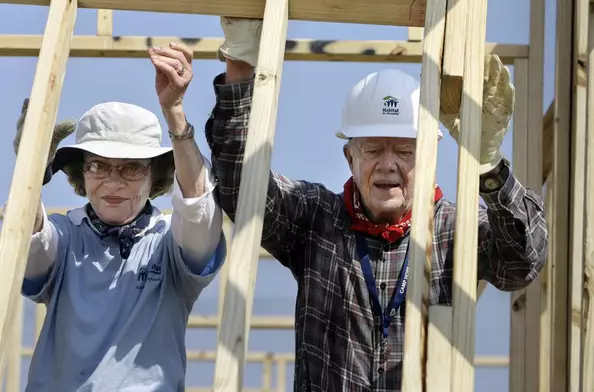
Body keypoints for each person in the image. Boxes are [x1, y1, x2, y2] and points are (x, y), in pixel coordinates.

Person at [206, 18, 548, 391]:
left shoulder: (453, 227)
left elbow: (523, 261)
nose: (388, 164)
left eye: (404, 151)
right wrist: (240, 68)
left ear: (429, 157)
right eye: (372, 149)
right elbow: (243, 189)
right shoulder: (316, 219)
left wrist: (488, 164)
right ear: (350, 157)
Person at [13, 43, 226, 391]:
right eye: (97, 166)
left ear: (154, 175)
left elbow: (198, 207)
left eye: (130, 168)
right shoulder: (66, 235)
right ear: (81, 174)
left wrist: (174, 112)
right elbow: (29, 247)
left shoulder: (168, 243)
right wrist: (28, 172)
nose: (113, 181)